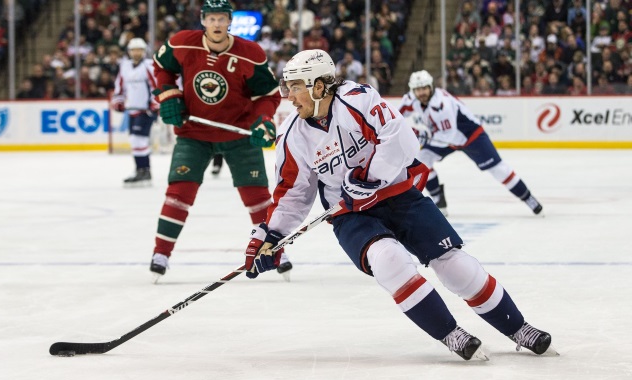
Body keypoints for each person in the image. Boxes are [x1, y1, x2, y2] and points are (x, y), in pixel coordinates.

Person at [244, 49, 556, 361]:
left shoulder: (358, 99)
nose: (290, 96)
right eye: (287, 87)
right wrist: (271, 235)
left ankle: (519, 328)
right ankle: (452, 335)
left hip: (399, 194)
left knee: (454, 264)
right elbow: (294, 194)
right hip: (351, 214)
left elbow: (400, 138)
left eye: (295, 86)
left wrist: (369, 178)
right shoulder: (291, 135)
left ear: (319, 86)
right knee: (389, 261)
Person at [150, 0, 291, 281]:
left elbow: (268, 94)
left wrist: (263, 119)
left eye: (222, 19)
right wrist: (168, 93)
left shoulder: (250, 53)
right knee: (178, 194)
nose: (216, 24)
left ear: (230, 22)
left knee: (258, 198)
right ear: (203, 21)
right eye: (211, 19)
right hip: (194, 134)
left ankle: (275, 250)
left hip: (239, 135)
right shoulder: (182, 44)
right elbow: (162, 68)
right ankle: (161, 253)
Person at [399, 70, 543, 216]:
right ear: (413, 90)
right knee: (422, 161)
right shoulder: (411, 99)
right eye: (418, 89)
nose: (421, 92)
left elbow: (447, 136)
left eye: (424, 88)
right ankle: (438, 199)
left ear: (431, 87)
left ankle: (528, 198)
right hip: (444, 137)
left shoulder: (441, 105)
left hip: (470, 136)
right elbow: (395, 115)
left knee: (499, 170)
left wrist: (424, 135)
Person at [111, 37, 159, 186]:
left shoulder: (149, 66)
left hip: (145, 110)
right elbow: (120, 86)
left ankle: (144, 170)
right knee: (135, 140)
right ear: (129, 51)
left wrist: (155, 104)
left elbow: (156, 85)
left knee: (139, 139)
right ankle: (142, 170)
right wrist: (118, 101)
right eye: (133, 50)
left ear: (144, 51)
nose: (136, 52)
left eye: (139, 50)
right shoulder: (124, 66)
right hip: (132, 109)